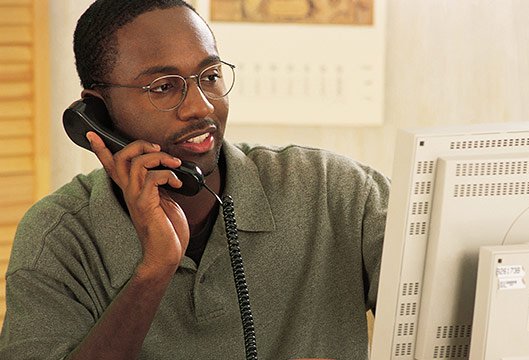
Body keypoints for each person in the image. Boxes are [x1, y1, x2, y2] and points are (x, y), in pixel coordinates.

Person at [0, 1, 389, 359]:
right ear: (97, 112)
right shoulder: (58, 238)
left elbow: (440, 310)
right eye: (164, 87)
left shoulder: (334, 190)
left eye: (210, 75)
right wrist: (153, 271)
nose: (201, 106)